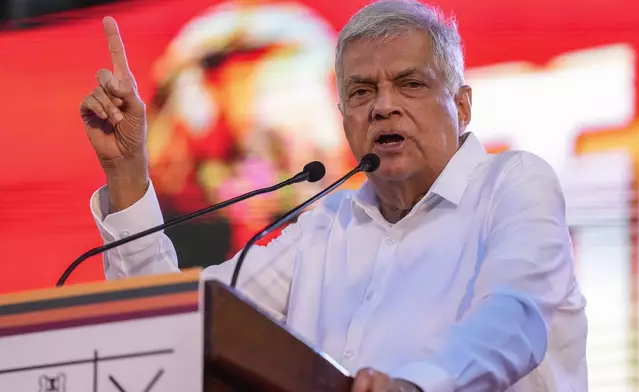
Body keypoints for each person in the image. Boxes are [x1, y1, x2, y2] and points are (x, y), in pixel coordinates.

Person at [80, 0, 588, 391]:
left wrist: (416, 383)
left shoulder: (513, 184)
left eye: (410, 85)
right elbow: (179, 325)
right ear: (342, 114)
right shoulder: (324, 227)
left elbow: (514, 317)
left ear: (462, 105)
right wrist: (127, 171)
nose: (384, 107)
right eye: (362, 92)